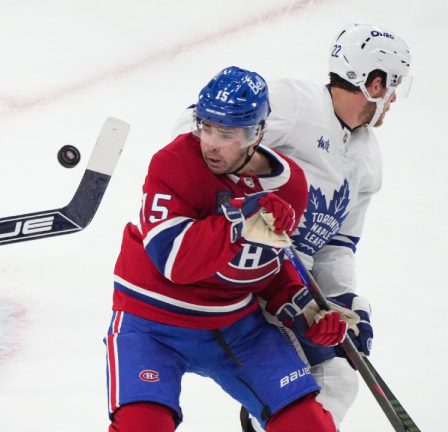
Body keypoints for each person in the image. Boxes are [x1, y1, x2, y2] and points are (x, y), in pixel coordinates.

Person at [106, 66, 359, 432]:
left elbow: (266, 269)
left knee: (308, 426)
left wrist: (307, 315)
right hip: (152, 322)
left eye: (226, 133)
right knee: (142, 426)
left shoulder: (290, 186)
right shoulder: (173, 163)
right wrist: (242, 216)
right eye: (204, 125)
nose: (210, 141)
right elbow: (174, 261)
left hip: (236, 326)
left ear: (257, 133)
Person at [233, 23, 412, 431]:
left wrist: (342, 301)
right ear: (374, 81)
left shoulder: (368, 158)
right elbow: (198, 131)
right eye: (392, 85)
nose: (394, 98)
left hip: (292, 281)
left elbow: (338, 246)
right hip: (239, 263)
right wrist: (241, 211)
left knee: (340, 375)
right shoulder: (293, 102)